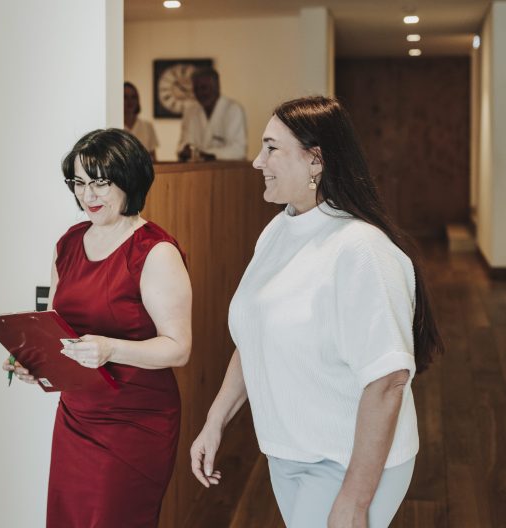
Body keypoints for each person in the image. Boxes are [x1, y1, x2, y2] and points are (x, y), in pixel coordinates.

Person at [189, 96, 443, 527]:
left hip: (346, 462)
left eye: (271, 148)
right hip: (289, 454)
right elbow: (254, 337)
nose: (256, 161)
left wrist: (355, 501)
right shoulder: (277, 230)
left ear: (315, 161)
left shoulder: (361, 249)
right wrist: (215, 420)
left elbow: (388, 382)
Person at [2, 128, 192, 527]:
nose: (88, 196)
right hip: (76, 415)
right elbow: (58, 329)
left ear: (130, 179)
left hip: (136, 420)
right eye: (79, 183)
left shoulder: (155, 252)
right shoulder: (67, 244)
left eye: (101, 183)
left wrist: (112, 349)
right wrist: (34, 362)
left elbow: (178, 347)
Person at [177, 67, 247, 161]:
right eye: (196, 89)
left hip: (227, 171)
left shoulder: (233, 110)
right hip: (196, 172)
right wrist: (185, 149)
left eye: (204, 88)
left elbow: (238, 150)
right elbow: (183, 144)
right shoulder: (190, 112)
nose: (200, 93)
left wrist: (205, 154)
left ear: (217, 87)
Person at [124, 81, 159, 160]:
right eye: (125, 97)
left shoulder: (147, 126)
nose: (130, 101)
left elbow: (153, 158)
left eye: (133, 97)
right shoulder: (115, 127)